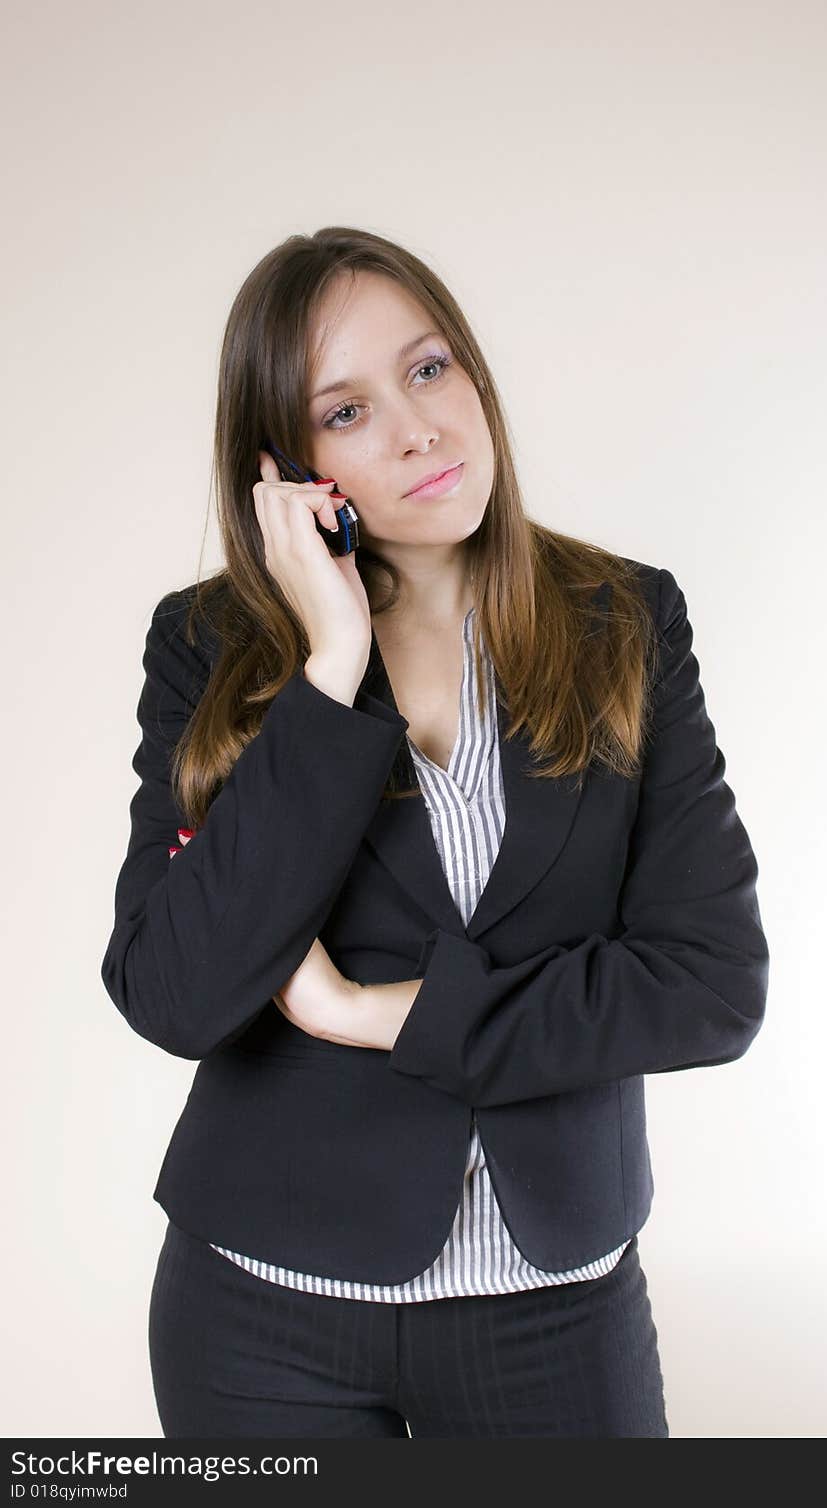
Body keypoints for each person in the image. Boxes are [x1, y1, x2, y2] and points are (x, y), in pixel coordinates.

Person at [101, 226, 769, 1439]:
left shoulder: (624, 621)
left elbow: (710, 985)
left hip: (555, 1303)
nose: (417, 428)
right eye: (344, 411)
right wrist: (328, 667)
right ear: (287, 470)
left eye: (427, 369)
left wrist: (372, 1011)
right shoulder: (209, 646)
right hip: (261, 1310)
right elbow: (175, 992)